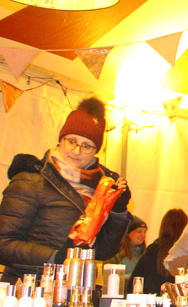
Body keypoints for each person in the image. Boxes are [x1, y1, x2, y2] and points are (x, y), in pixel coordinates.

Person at [0, 97, 132, 283]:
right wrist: (55, 258)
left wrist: (118, 211)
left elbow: (102, 252)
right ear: (60, 140)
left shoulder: (101, 188)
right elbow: (3, 244)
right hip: (28, 290)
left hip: (76, 290)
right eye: (71, 141)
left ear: (96, 150)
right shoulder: (31, 180)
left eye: (86, 146)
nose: (77, 151)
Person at [130, 209, 188, 294]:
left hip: (151, 301)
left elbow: (134, 283)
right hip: (179, 301)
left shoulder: (152, 250)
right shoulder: (187, 252)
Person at [106, 216, 147, 282]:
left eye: (144, 232)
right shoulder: (115, 253)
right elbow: (110, 278)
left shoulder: (146, 254)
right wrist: (136, 277)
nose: (143, 235)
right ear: (128, 233)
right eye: (139, 231)